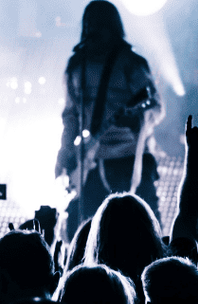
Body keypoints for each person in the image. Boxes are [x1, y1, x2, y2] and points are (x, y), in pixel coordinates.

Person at [56, 0, 164, 241]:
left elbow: (155, 106)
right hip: (90, 162)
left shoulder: (131, 63)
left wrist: (137, 120)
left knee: (143, 231)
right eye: (90, 24)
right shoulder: (76, 66)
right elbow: (70, 116)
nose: (94, 29)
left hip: (128, 157)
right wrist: (65, 153)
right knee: (83, 232)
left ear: (112, 26)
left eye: (99, 24)